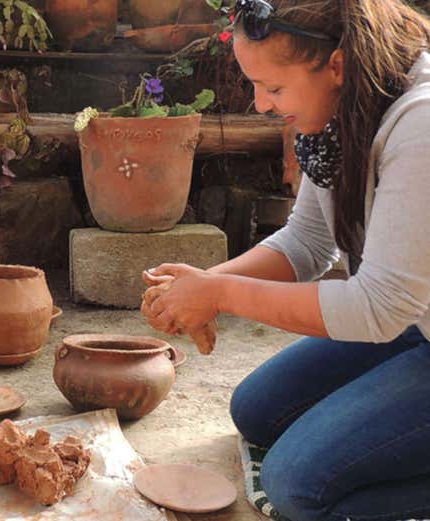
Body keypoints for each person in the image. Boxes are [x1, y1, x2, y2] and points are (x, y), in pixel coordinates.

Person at [142, 1, 430, 520]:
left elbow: (377, 309)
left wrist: (221, 294)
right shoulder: (345, 111)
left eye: (274, 89)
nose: (260, 106)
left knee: (297, 489)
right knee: (258, 411)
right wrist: (204, 285)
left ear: (337, 65)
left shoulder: (421, 125)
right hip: (419, 318)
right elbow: (308, 244)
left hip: (400, 312)